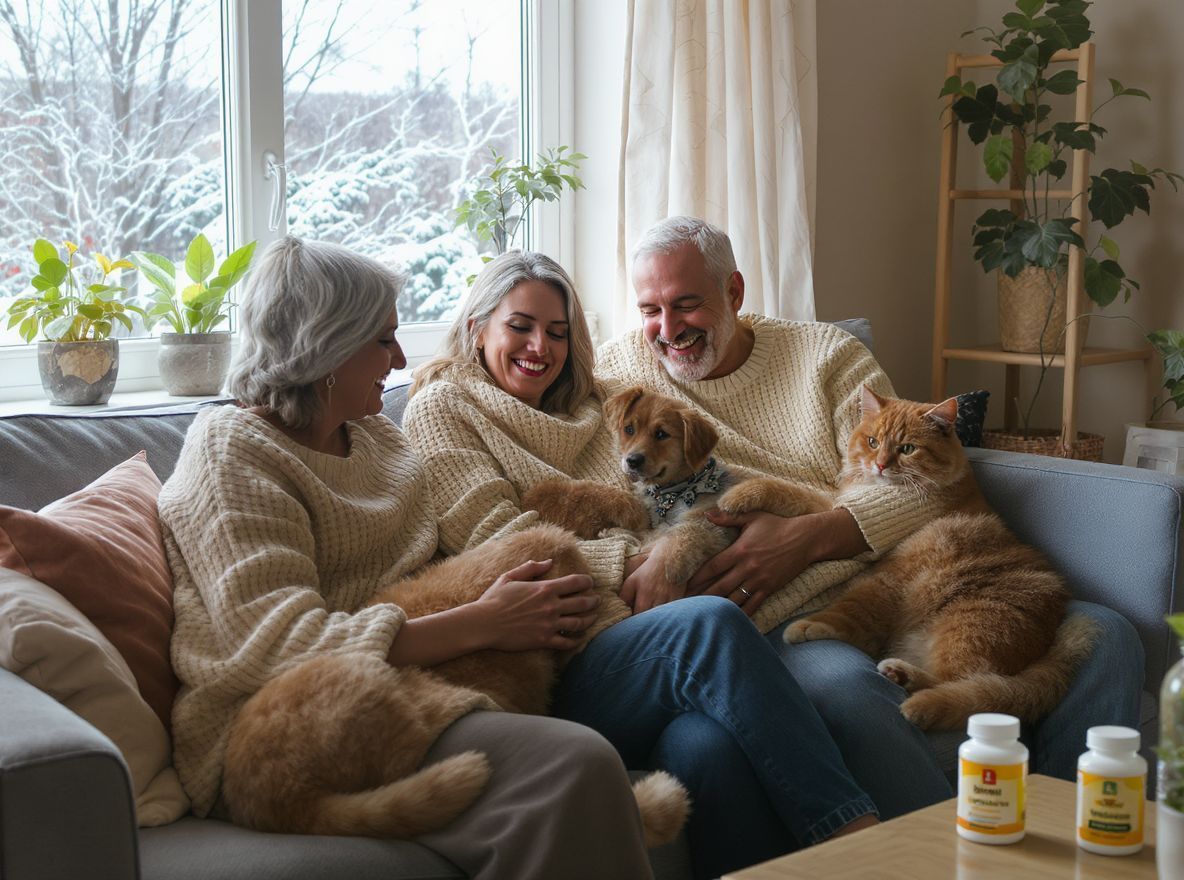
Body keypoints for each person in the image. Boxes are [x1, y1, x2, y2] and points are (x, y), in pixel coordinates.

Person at [595, 214, 1146, 819]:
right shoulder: (622, 377)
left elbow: (916, 482)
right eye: (650, 310)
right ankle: (936, 855)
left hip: (884, 575)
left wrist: (807, 537)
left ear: (734, 291)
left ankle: (1066, 834)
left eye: (686, 304)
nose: (668, 329)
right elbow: (614, 500)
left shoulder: (826, 355)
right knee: (850, 688)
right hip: (773, 614)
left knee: (1108, 632)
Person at [158, 236, 659, 880]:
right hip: (287, 726)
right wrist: (485, 622)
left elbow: (447, 562)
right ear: (325, 345)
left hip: (417, 681)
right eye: (383, 340)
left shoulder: (375, 438)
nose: (399, 360)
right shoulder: (233, 451)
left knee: (689, 731)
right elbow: (278, 644)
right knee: (579, 762)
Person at [404, 250, 879, 880]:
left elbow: (691, 478)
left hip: (639, 635)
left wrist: (778, 526)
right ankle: (866, 849)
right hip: (556, 652)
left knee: (703, 746)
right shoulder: (444, 407)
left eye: (558, 332)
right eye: (520, 326)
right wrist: (652, 560)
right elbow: (496, 543)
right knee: (708, 626)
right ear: (476, 329)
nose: (540, 347)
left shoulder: (601, 404)